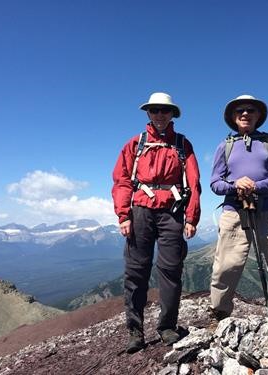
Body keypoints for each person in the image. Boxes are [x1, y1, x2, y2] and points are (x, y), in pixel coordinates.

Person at [112, 92, 201, 353]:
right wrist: (123, 215)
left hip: (172, 212)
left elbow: (193, 182)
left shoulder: (183, 144)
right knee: (136, 271)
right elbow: (122, 180)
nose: (160, 115)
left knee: (171, 270)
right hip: (140, 211)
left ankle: (167, 327)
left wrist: (191, 217)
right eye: (154, 110)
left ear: (172, 114)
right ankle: (135, 332)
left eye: (164, 110)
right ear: (148, 114)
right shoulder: (135, 144)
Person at [209, 94, 268, 327]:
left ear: (258, 116)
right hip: (234, 210)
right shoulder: (225, 146)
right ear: (233, 117)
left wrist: (256, 186)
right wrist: (235, 185)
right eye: (240, 111)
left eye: (250, 110)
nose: (245, 114)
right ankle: (219, 312)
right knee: (226, 264)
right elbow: (215, 183)